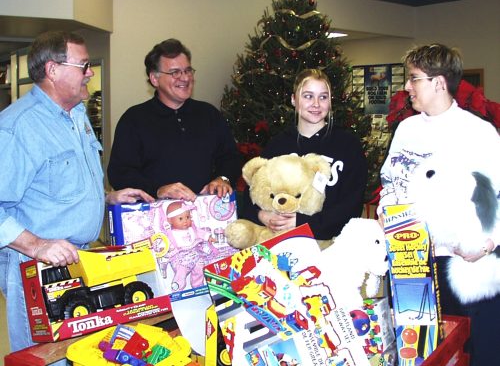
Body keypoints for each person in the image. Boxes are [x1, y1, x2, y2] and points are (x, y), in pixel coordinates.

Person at [0, 31, 154, 359]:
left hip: (81, 259)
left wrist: (105, 197)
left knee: (82, 353)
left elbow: (58, 182)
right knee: (46, 356)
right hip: (36, 267)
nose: (90, 72)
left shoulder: (77, 114)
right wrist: (37, 245)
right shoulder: (17, 127)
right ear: (53, 70)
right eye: (83, 65)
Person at [377, 43, 500, 366]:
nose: (407, 87)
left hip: (461, 267)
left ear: (439, 83)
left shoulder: (478, 133)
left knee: (467, 353)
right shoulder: (406, 129)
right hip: (409, 262)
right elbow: (391, 181)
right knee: (418, 353)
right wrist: (385, 211)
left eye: (414, 79)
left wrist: (488, 244)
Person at [242, 69, 368, 248]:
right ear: (294, 100)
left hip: (331, 247)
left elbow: (351, 206)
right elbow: (252, 194)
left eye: (323, 97)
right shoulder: (277, 145)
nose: (316, 104)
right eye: (308, 96)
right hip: (279, 244)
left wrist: (301, 223)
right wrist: (261, 215)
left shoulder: (348, 145)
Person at [107, 38, 241, 201]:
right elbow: (120, 173)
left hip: (207, 216)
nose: (184, 78)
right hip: (156, 219)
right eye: (175, 72)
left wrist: (223, 178)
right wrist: (157, 189)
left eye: (187, 70)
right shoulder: (134, 120)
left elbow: (230, 157)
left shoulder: (209, 114)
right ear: (155, 79)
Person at [160, 201, 216, 291]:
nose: (185, 221)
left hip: (195, 254)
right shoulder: (170, 234)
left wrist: (208, 237)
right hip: (180, 258)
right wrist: (162, 248)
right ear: (170, 220)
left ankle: (198, 285)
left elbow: (200, 233)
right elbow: (164, 243)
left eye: (188, 217)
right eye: (181, 218)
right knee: (181, 272)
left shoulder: (192, 229)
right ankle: (177, 287)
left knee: (200, 266)